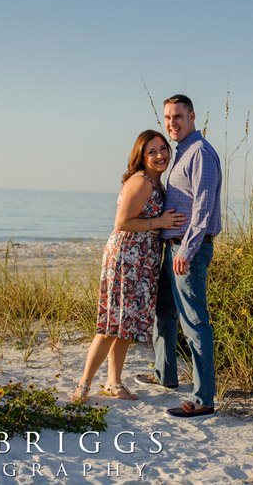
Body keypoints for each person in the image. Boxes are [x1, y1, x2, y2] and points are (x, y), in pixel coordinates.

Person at [71, 130, 186, 403]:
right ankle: (83, 385)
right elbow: (121, 223)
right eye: (152, 151)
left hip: (142, 260)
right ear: (141, 156)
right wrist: (159, 223)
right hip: (126, 259)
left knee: (126, 324)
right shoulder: (142, 182)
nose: (160, 155)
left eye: (162, 149)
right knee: (112, 325)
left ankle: (113, 382)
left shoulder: (157, 183)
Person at [135, 94, 222, 418]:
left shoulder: (200, 153)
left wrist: (186, 249)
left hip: (189, 250)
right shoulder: (182, 153)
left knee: (195, 322)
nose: (172, 123)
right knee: (165, 312)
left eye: (178, 117)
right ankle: (165, 375)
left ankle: (203, 399)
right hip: (173, 249)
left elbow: (204, 206)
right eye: (168, 117)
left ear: (193, 116)